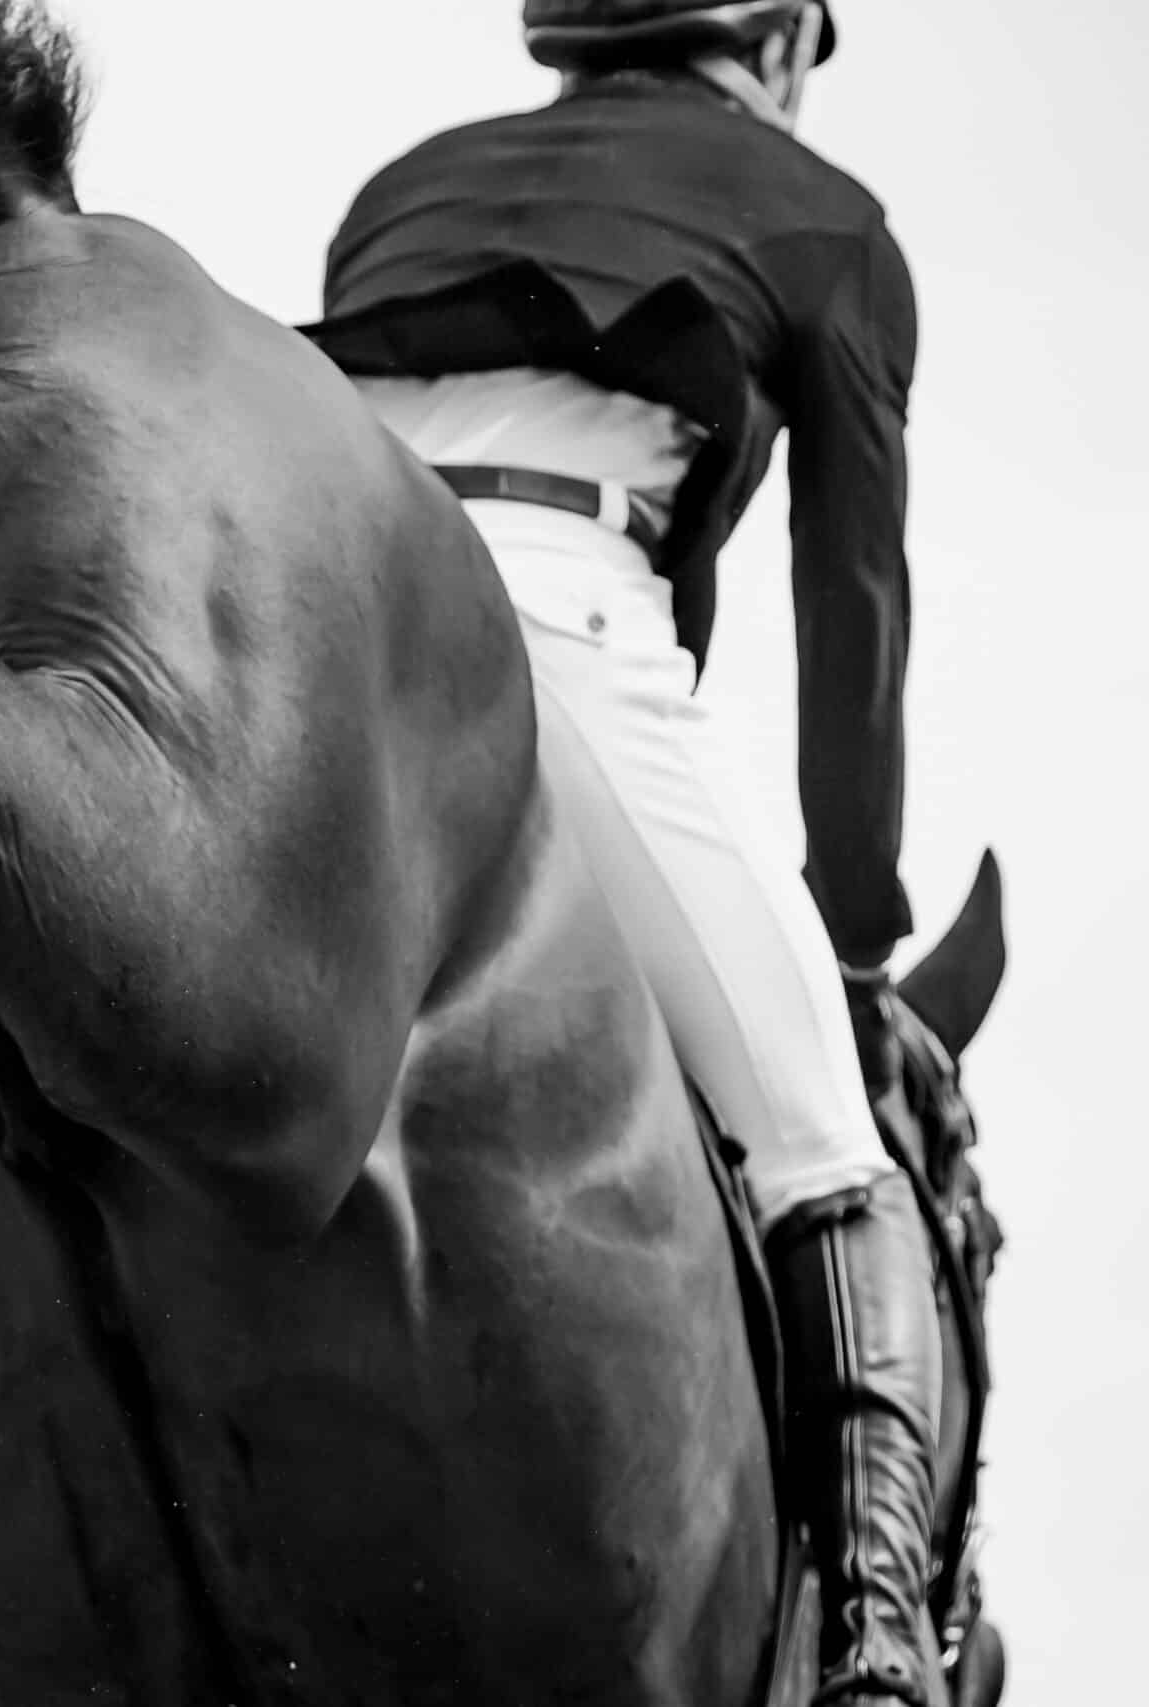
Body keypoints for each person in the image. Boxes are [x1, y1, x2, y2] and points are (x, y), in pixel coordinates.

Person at [303, 4, 942, 1702]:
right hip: (544, 628)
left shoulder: (403, 186)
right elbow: (851, 611)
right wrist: (857, 933)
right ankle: (883, 1640)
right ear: (778, 40)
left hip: (304, 630)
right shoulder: (827, 219)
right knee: (830, 1154)